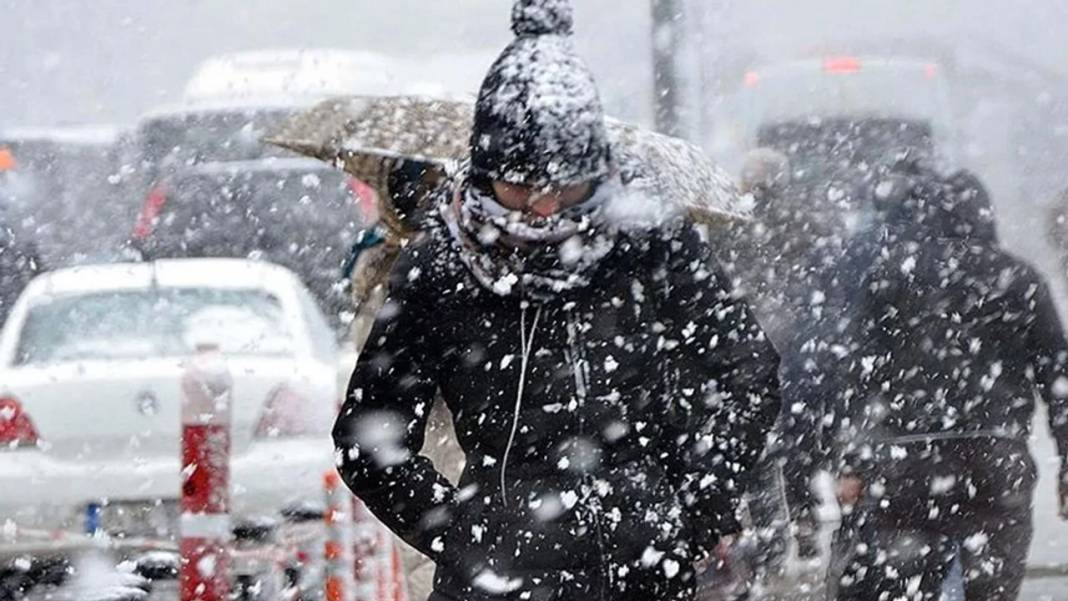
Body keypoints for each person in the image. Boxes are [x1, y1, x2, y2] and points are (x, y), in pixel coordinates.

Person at [332, 2, 783, 600]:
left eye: (564, 188)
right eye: (519, 187)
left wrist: (696, 506)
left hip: (643, 571)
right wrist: (464, 534)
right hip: (495, 580)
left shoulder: (650, 241)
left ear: (596, 172)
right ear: (483, 172)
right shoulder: (441, 264)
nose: (543, 209)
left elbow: (746, 370)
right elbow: (369, 437)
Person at [821, 163, 1068, 601]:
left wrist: (853, 462)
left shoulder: (889, 276)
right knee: (989, 584)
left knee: (906, 578)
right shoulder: (1018, 278)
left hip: (906, 459)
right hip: (995, 455)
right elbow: (1058, 376)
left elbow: (856, 371)